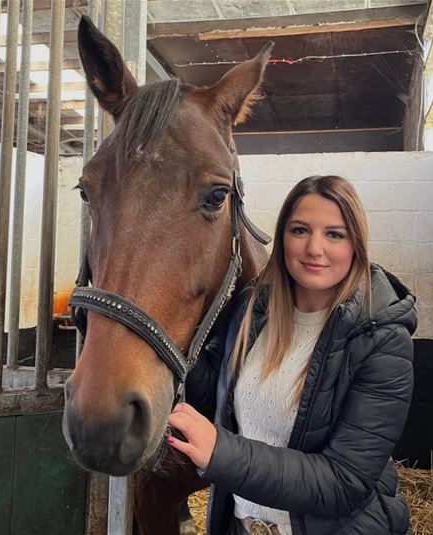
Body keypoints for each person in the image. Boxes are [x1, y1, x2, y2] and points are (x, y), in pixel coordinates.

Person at [167, 175, 416, 535]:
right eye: (300, 230)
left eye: (334, 234)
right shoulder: (251, 310)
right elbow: (216, 403)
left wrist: (222, 454)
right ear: (283, 236)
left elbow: (344, 481)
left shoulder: (382, 339)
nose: (314, 248)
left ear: (356, 245)